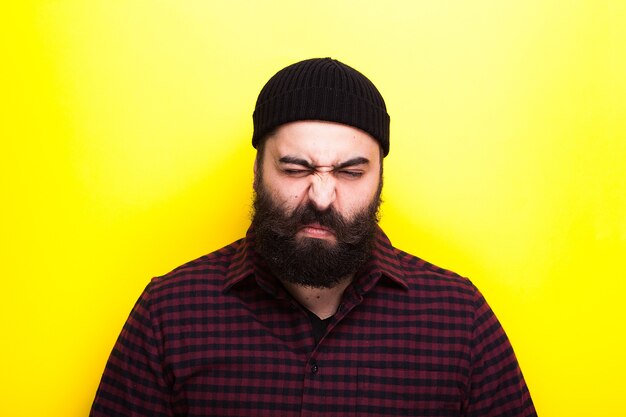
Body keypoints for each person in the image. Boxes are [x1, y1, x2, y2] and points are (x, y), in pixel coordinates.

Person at [90, 58, 537, 417]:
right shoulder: (170, 314)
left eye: (350, 171)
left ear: (380, 178)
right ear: (258, 171)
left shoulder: (460, 320)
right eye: (296, 168)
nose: (321, 196)